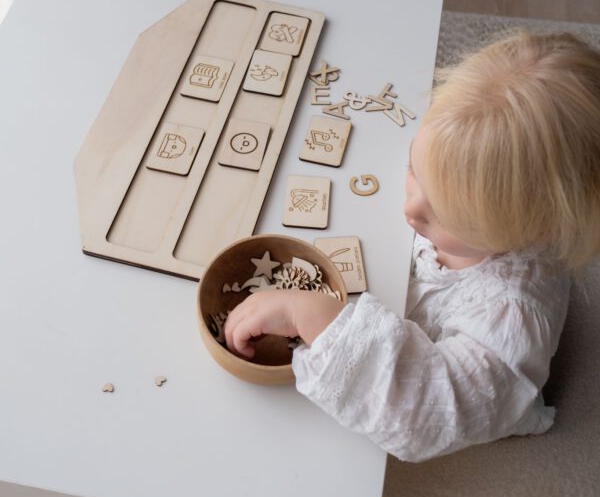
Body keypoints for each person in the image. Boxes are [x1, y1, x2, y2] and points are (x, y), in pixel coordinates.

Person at [224, 30, 600, 462]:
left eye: (445, 214)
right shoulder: (464, 154)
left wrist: (316, 318)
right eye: (416, 171)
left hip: (471, 406)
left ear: (536, 231)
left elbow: (424, 415)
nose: (411, 209)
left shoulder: (509, 321)